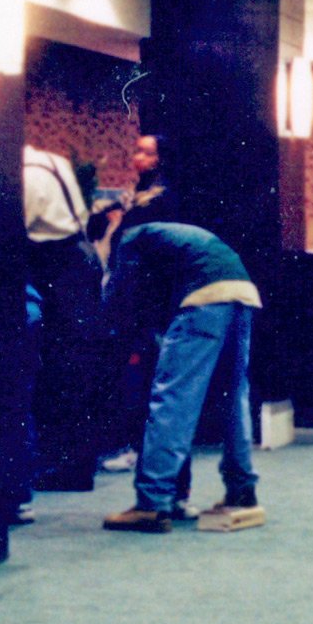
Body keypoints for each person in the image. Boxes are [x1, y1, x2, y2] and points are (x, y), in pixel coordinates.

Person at [99, 210, 264, 533]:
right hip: (242, 291)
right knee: (234, 398)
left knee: (173, 399)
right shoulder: (166, 236)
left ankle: (153, 502)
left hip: (204, 295)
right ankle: (242, 490)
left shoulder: (129, 240)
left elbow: (120, 301)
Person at [23, 141, 104, 491]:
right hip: (80, 259)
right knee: (78, 369)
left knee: (60, 370)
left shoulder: (23, 175)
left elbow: (16, 228)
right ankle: (77, 466)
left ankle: (62, 468)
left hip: (56, 269)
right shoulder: (53, 161)